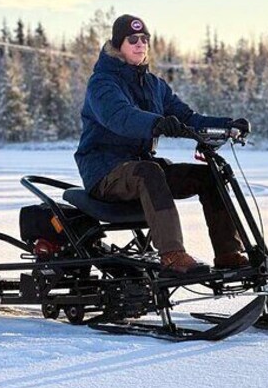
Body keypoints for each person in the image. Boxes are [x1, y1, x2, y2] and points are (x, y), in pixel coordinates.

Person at [74, 14, 251, 276]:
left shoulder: (154, 85)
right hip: (105, 172)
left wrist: (227, 125)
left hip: (139, 168)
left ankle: (229, 254)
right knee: (149, 172)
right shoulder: (103, 83)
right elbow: (119, 117)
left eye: (144, 39)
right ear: (118, 44)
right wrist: (158, 123)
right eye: (132, 39)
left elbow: (189, 118)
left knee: (207, 175)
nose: (140, 44)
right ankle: (172, 255)